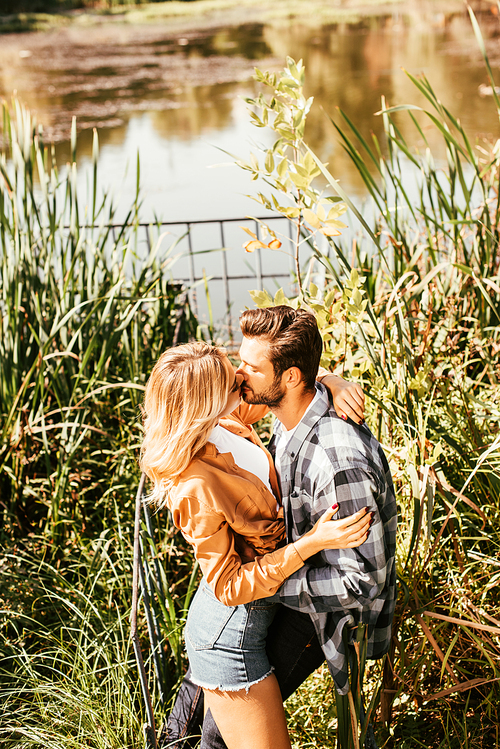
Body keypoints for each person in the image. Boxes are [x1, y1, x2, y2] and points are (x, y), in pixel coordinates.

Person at [163, 306, 397, 749]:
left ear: (290, 377)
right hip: (238, 603)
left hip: (304, 611)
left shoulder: (334, 458)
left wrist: (327, 377)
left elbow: (364, 581)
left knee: (214, 737)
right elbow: (230, 583)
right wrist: (301, 552)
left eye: (249, 366)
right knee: (193, 729)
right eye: (239, 363)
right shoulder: (245, 423)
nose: (238, 375)